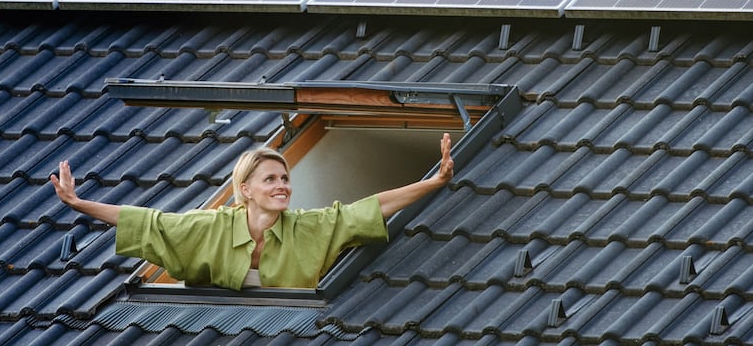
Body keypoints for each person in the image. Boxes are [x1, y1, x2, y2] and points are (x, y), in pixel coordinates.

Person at [49, 133, 454, 290]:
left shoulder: (310, 227)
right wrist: (79, 203)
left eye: (285, 178)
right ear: (245, 190)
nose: (282, 186)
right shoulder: (209, 227)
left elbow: (371, 208)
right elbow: (148, 222)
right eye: (271, 180)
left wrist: (433, 182)